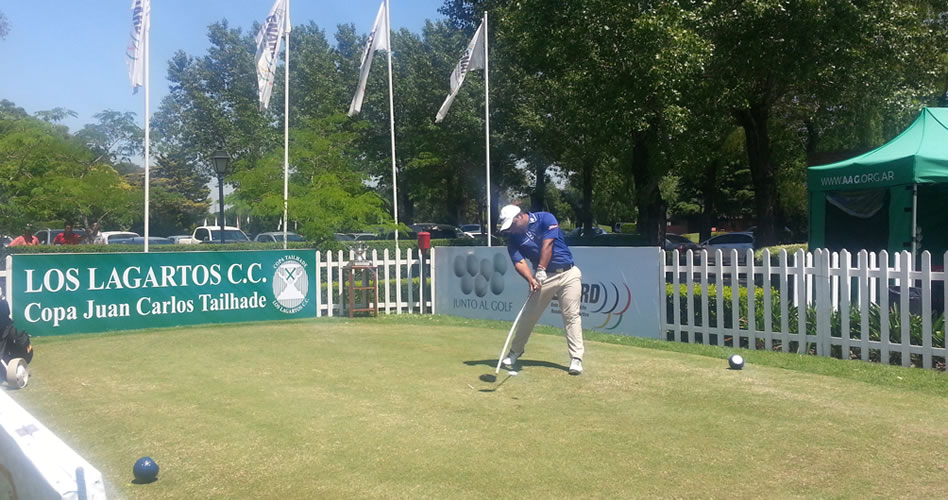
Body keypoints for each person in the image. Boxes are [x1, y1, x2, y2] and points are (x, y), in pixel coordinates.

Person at [497, 204, 585, 375]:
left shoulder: (545, 218)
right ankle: (515, 351)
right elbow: (519, 262)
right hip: (542, 277)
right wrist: (530, 279)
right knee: (529, 315)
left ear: (520, 217)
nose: (511, 230)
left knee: (571, 315)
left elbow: (548, 245)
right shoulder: (514, 239)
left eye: (512, 225)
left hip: (569, 273)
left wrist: (541, 268)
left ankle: (576, 358)